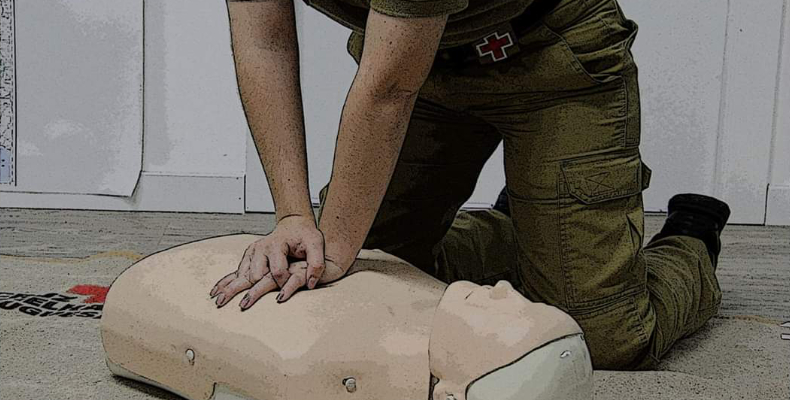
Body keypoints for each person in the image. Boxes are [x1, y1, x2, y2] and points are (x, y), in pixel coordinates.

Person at [212, 0, 732, 370]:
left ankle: (691, 238)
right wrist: (293, 216)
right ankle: (525, 229)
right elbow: (263, 41)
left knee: (604, 338)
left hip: (552, 56)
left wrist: (334, 249)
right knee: (366, 283)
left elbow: (389, 90)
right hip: (421, 64)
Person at [102, 234, 594, 400]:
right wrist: (295, 217)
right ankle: (510, 221)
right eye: (524, 301)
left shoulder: (316, 364)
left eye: (505, 317)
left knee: (614, 328)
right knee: (383, 231)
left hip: (147, 291)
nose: (504, 290)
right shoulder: (435, 321)